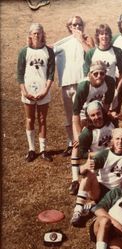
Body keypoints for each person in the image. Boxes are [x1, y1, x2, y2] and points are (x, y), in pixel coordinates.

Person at [70, 128, 122, 227]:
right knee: (89, 175)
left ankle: (93, 205)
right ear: (112, 140)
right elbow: (81, 171)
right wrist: (86, 166)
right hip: (100, 189)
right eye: (117, 139)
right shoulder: (105, 154)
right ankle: (78, 209)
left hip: (116, 194)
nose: (120, 142)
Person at [54, 15, 95, 157]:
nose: (77, 27)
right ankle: (71, 143)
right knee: (69, 116)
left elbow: (92, 53)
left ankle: (85, 143)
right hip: (66, 84)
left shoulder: (87, 39)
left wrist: (81, 39)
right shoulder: (63, 43)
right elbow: (49, 51)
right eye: (73, 25)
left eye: (79, 24)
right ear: (69, 27)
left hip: (81, 83)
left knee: (83, 115)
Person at [17, 23, 55, 162]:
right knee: (30, 119)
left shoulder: (48, 51)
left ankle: (43, 150)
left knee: (42, 119)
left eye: (39, 33)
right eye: (34, 33)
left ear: (43, 34)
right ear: (30, 35)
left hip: (43, 91)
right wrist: (24, 91)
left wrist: (45, 90)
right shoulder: (24, 52)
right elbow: (20, 74)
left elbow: (51, 74)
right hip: (28, 92)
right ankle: (31, 149)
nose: (37, 35)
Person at [69, 100, 116, 195]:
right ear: (89, 117)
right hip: (98, 160)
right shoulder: (87, 132)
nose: (97, 117)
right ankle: (77, 181)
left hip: (113, 156)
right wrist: (100, 154)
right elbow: (82, 154)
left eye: (98, 113)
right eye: (93, 115)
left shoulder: (111, 123)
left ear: (102, 112)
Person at [83, 24, 122, 110]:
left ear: (110, 36)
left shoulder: (117, 51)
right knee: (95, 116)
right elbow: (86, 74)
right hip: (94, 91)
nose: (104, 36)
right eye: (101, 34)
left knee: (111, 116)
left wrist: (117, 91)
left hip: (110, 90)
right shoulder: (91, 53)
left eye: (107, 34)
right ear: (97, 36)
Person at [72, 60, 115, 142]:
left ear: (105, 73)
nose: (99, 76)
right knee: (79, 140)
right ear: (90, 74)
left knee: (99, 134)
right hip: (81, 110)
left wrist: (102, 120)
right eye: (95, 74)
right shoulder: (84, 87)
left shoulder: (110, 82)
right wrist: (78, 135)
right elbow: (76, 113)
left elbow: (107, 104)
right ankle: (75, 153)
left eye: (102, 73)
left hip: (96, 109)